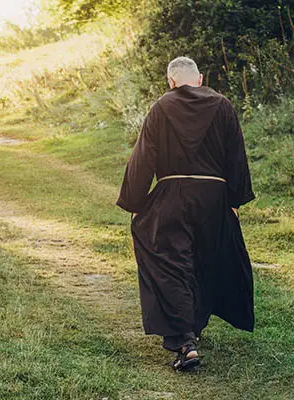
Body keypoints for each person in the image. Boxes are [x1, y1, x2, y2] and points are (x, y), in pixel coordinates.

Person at [116, 56, 255, 372]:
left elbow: (144, 157)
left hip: (173, 195)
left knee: (170, 261)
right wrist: (234, 200)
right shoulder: (223, 105)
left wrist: (137, 203)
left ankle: (184, 340)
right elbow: (236, 156)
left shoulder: (162, 107)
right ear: (200, 79)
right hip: (214, 196)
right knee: (204, 260)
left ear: (171, 81)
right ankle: (195, 326)